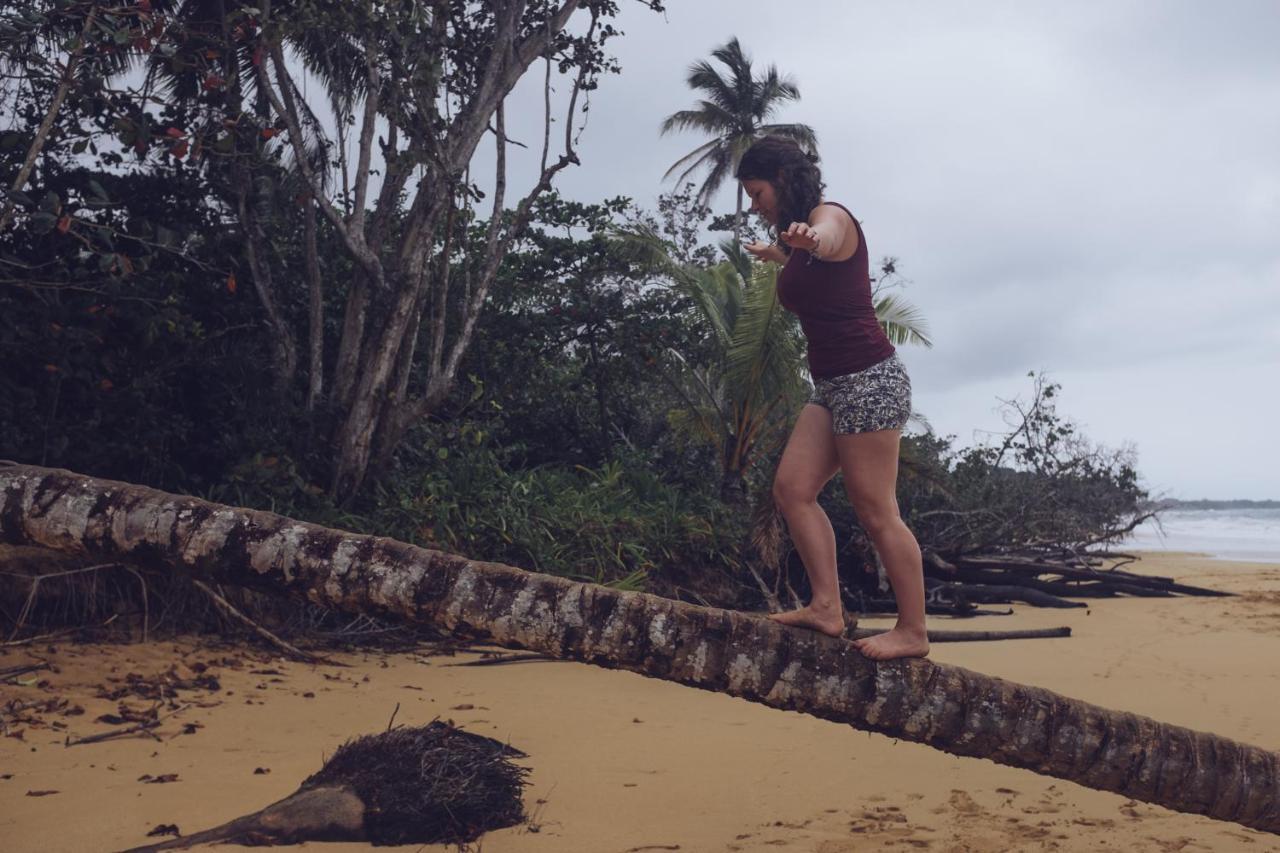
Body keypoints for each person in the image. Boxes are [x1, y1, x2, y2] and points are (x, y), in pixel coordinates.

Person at [737, 135, 928, 661]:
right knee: (793, 489)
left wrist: (808, 238)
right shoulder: (794, 243)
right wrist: (780, 253)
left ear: (781, 180)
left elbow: (827, 238)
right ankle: (826, 607)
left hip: (869, 379)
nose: (755, 205)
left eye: (757, 193)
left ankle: (913, 631)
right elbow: (812, 265)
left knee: (876, 511)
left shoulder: (830, 218)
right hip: (833, 386)